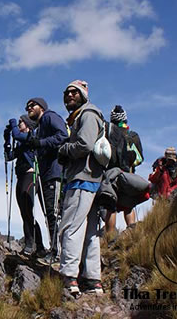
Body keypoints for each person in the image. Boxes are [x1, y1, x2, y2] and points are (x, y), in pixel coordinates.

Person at [56, 80, 104, 296]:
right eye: (66, 93)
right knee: (91, 232)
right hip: (93, 180)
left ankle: (69, 277)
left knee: (71, 227)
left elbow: (84, 144)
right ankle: (93, 281)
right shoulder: (85, 115)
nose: (69, 96)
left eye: (74, 92)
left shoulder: (87, 114)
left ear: (84, 95)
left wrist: (64, 149)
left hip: (82, 178)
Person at [22, 97, 68, 263]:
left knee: (53, 213)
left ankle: (58, 253)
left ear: (41, 107)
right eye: (27, 106)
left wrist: (41, 143)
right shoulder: (40, 126)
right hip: (46, 174)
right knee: (50, 214)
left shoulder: (49, 117)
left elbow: (63, 135)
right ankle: (55, 250)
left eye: (32, 105)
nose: (29, 108)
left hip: (54, 173)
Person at [4, 114, 46, 256]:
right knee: (24, 213)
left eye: (21, 122)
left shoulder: (30, 138)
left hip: (31, 176)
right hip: (21, 177)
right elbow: (9, 157)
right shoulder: (21, 142)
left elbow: (17, 135)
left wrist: (13, 124)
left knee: (28, 211)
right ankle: (35, 246)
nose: (19, 124)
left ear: (27, 125)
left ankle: (34, 246)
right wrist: (6, 140)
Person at [104, 105, 145, 233]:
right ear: (125, 119)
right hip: (128, 174)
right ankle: (131, 232)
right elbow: (140, 158)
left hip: (111, 173)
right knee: (129, 206)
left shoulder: (107, 133)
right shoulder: (133, 136)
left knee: (111, 206)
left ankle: (109, 236)